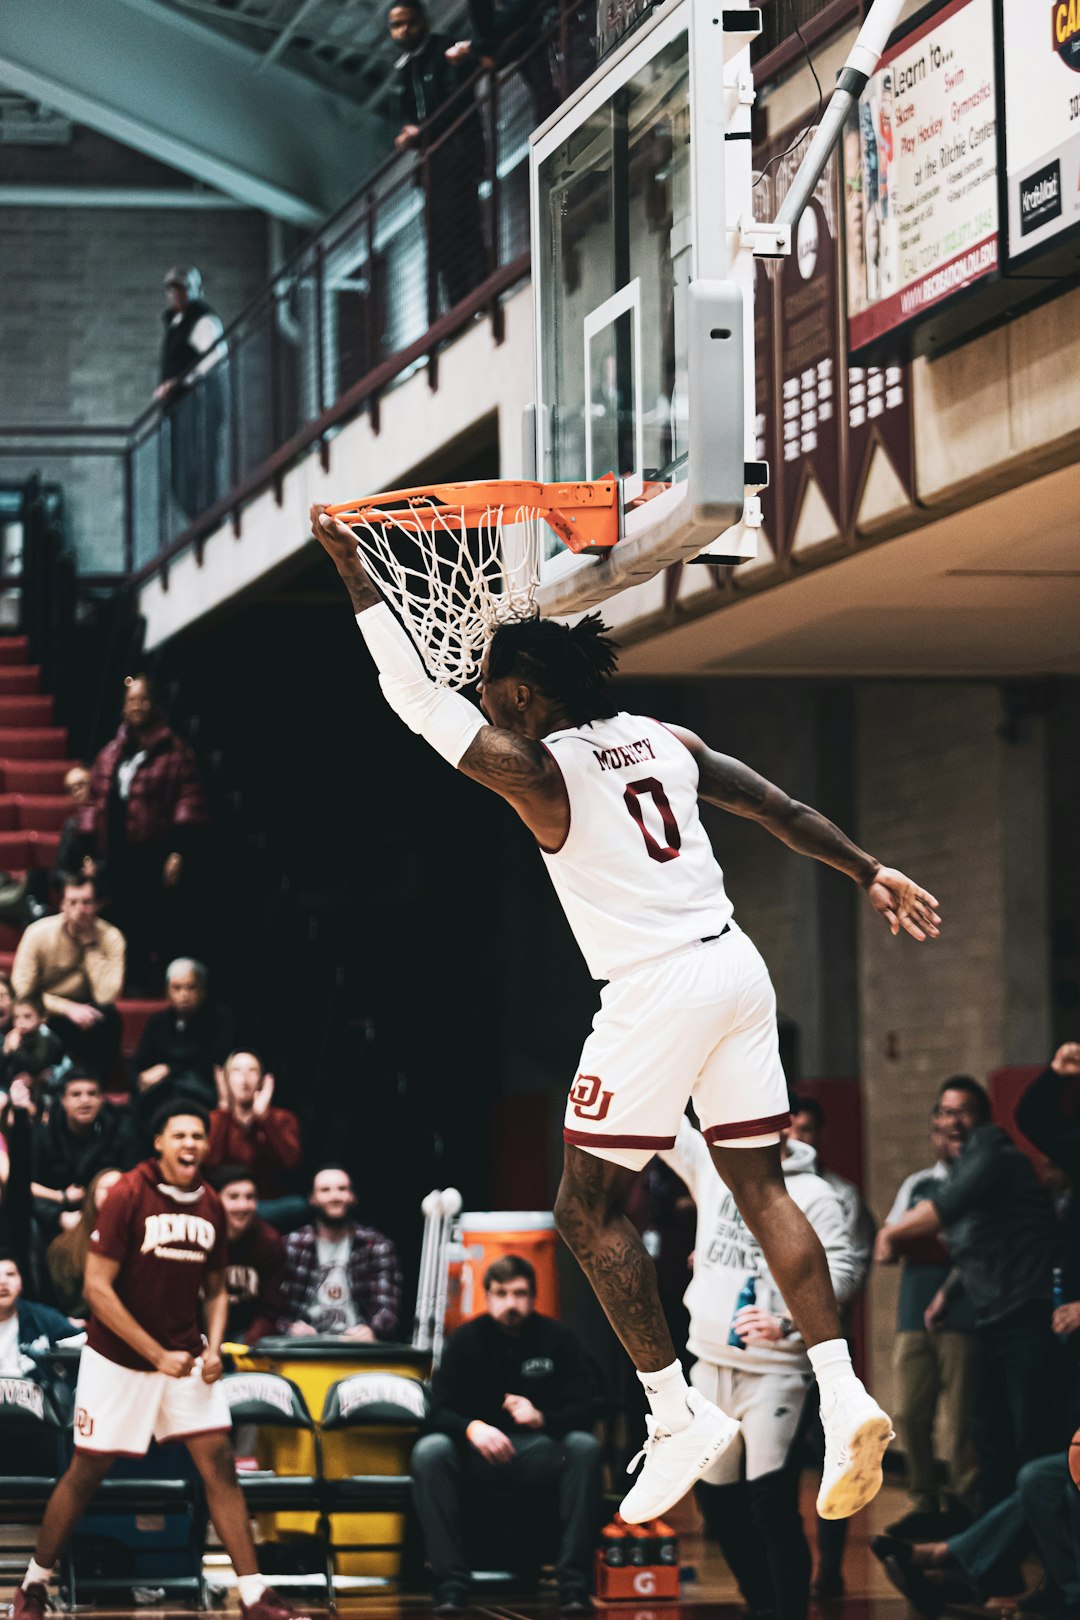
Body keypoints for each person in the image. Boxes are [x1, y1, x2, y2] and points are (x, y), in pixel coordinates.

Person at [314, 504, 942, 1523]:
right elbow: (780, 811)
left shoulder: (538, 772)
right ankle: (842, 1389)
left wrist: (351, 565)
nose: (483, 701)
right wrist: (869, 870)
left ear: (522, 692)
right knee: (759, 1187)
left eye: (489, 689)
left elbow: (405, 690)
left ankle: (672, 1413)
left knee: (584, 1210)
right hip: (738, 968)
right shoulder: (667, 740)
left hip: (655, 990)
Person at [11, 1101, 311, 1620]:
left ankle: (256, 1595)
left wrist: (213, 1347)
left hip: (185, 1357)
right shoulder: (128, 1193)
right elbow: (96, 1290)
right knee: (86, 1472)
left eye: (198, 1135)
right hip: (119, 1358)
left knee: (219, 1467)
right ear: (159, 1142)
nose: (191, 1143)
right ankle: (33, 1586)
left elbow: (216, 1291)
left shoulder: (211, 1202)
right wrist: (153, 1353)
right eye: (180, 1135)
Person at [661, 1117, 858, 1620]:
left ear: (784, 1126)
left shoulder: (815, 1194)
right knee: (719, 1507)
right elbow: (667, 1125)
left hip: (776, 1371)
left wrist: (787, 1320)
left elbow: (843, 1271)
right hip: (709, 1363)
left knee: (770, 1507)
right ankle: (762, 1606)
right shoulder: (712, 1163)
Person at [875, 1076, 1058, 1511]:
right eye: (945, 1113)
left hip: (1024, 1316)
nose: (954, 1122)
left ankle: (1036, 1554)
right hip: (992, 1317)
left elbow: (946, 1208)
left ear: (983, 1119)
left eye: (963, 1112)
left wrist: (892, 1233)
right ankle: (983, 1552)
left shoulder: (992, 1150)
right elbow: (971, 1247)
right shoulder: (953, 1174)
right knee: (989, 1440)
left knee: (1025, 1442)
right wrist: (943, 1294)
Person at [412, 1254, 602, 1616]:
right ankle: (451, 1584)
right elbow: (436, 1409)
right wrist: (472, 1428)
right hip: (476, 1455)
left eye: (519, 1294)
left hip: (538, 1452)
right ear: (487, 1295)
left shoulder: (558, 1340)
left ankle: (573, 1585)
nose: (510, 1303)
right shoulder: (466, 1340)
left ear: (533, 1296)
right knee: (429, 1451)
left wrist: (543, 1417)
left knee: (584, 1447)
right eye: (501, 1294)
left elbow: (587, 1408)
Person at [788, 1094, 875, 1599]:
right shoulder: (757, 1190)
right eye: (791, 1126)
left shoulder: (842, 1196)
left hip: (825, 1347)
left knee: (836, 1455)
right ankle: (786, 1567)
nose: (800, 1136)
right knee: (774, 1466)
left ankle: (831, 1567)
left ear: (820, 1135)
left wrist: (811, 1317)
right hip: (766, 1349)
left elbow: (855, 1267)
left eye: (808, 1128)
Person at [877, 1111, 977, 1540]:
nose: (951, 1134)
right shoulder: (918, 1184)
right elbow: (887, 1246)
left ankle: (966, 1507)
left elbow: (969, 1246)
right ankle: (923, 1501)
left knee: (962, 1422)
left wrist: (924, 1237)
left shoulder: (978, 1183)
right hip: (913, 1314)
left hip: (965, 1317)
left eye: (961, 1124)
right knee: (908, 1413)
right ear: (933, 1131)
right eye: (942, 1126)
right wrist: (924, 1237)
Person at [79, 675, 209, 991]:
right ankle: (125, 984)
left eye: (143, 700)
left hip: (154, 854)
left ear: (154, 704)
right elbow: (94, 802)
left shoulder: (175, 752)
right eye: (131, 701)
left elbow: (188, 801)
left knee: (156, 925)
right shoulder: (111, 752)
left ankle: (157, 989)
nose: (137, 706)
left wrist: (179, 851)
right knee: (119, 922)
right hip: (116, 851)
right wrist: (88, 849)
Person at [389, 0, 489, 312]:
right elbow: (408, 114)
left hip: (457, 154)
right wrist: (411, 133)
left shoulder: (443, 52)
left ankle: (481, 298)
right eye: (396, 25)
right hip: (434, 162)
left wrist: (421, 132)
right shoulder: (405, 70)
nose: (403, 30)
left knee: (465, 226)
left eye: (409, 22)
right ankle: (460, 307)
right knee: (441, 239)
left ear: (423, 22)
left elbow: (458, 101)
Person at [11, 875, 125, 1081]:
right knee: (27, 1019)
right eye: (72, 902)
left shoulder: (111, 937)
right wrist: (67, 1008)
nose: (79, 909)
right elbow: (23, 990)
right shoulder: (38, 933)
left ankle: (96, 1085)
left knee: (109, 1017)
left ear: (96, 905)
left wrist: (90, 948)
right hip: (47, 1011)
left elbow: (107, 996)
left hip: (88, 1013)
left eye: (86, 902)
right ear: (62, 905)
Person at [278, 1165, 402, 1339]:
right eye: (325, 1190)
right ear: (312, 1198)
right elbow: (273, 1309)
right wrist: (290, 1328)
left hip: (357, 1346)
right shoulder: (291, 1245)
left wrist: (373, 1330)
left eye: (342, 1189)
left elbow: (387, 1307)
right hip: (304, 1347)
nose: (335, 1196)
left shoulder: (377, 1246)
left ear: (353, 1197)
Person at [154, 266, 226, 519]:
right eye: (172, 289)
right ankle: (199, 521)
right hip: (182, 408)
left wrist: (177, 383)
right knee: (179, 476)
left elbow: (214, 362)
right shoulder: (177, 324)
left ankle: (207, 520)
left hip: (198, 406)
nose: (176, 294)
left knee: (198, 468)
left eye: (182, 288)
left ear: (195, 291)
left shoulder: (202, 320)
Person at [30, 1072, 135, 1243]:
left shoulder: (119, 1132)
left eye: (92, 1094)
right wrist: (58, 1215)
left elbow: (132, 1184)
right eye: (76, 1094)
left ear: (102, 1099)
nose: (85, 1101)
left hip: (107, 1217)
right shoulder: (43, 1136)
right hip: (55, 1219)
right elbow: (23, 1189)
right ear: (63, 1100)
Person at [205, 1051, 303, 1226]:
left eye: (251, 1070)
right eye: (237, 1070)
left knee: (298, 1206)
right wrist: (223, 1110)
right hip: (224, 1205)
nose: (245, 1077)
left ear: (262, 1080)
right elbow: (209, 1165)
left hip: (267, 1205)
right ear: (225, 1079)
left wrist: (264, 1120)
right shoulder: (214, 1119)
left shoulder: (281, 1118)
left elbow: (289, 1163)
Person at [134, 957, 238, 1122]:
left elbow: (214, 1062)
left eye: (191, 987)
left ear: (202, 990)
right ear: (167, 991)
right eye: (177, 988)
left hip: (202, 1090)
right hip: (161, 1092)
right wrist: (141, 1079)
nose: (184, 994)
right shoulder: (158, 1021)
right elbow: (140, 1063)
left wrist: (170, 1069)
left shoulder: (221, 1018)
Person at [214, 1166, 285, 1344]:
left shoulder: (268, 1241)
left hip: (247, 1339)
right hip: (201, 1339)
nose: (243, 1206)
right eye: (233, 1197)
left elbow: (272, 1309)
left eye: (250, 1197)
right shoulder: (200, 1238)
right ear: (215, 1200)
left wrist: (249, 1342)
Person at [46, 1168, 124, 1319]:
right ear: (92, 1195)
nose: (114, 1193)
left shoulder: (144, 1241)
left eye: (120, 1188)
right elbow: (62, 1296)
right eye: (107, 1188)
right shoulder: (65, 1246)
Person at [0, 1250, 82, 1376]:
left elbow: (81, 1342)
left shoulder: (40, 1317)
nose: (3, 1282)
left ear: (21, 1282)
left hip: (35, 1392)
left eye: (10, 1274)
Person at [0, 994, 67, 1111]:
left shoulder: (46, 1037)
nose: (21, 1022)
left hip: (50, 1085)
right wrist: (6, 1050)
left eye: (27, 1016)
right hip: (19, 1083)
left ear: (43, 1018)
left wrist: (15, 1049)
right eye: (16, 1017)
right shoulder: (21, 1036)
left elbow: (35, 1064)